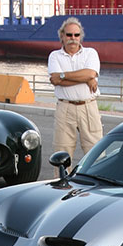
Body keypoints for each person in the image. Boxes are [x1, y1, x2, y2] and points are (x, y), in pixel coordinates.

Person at [47, 18, 104, 157]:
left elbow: (90, 73)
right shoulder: (55, 56)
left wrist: (63, 76)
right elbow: (55, 80)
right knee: (62, 154)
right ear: (62, 36)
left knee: (95, 154)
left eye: (76, 35)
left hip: (88, 108)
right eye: (69, 35)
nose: (73, 38)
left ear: (80, 36)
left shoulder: (91, 53)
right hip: (65, 108)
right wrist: (86, 79)